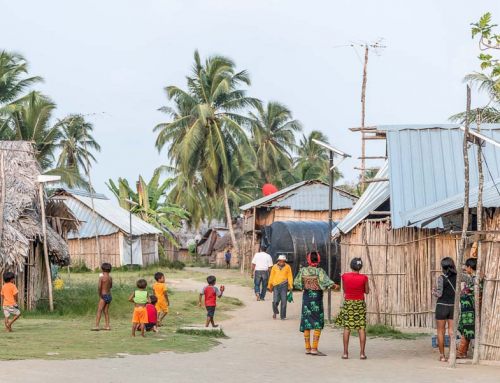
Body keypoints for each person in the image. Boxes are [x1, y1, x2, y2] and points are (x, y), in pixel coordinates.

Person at [294, 251, 335, 356]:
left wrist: (306, 285)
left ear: (308, 260)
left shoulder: (303, 271)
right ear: (318, 259)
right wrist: (335, 286)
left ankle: (307, 348)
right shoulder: (320, 271)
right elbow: (327, 283)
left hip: (307, 298)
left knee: (306, 322)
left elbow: (297, 284)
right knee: (317, 322)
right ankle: (314, 348)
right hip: (316, 299)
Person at [335, 257, 369, 360]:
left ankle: (345, 353)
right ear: (360, 267)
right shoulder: (364, 278)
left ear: (351, 265)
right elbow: (366, 291)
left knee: (347, 328)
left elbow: (345, 290)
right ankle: (362, 354)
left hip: (349, 303)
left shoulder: (344, 276)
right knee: (361, 328)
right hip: (359, 304)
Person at [432, 257, 457, 362]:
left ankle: (442, 356)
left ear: (443, 267)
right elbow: (472, 280)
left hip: (441, 306)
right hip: (453, 307)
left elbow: (439, 294)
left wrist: (433, 291)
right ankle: (452, 355)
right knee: (452, 332)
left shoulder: (441, 278)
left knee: (440, 332)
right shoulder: (458, 276)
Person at [457, 258, 482, 359]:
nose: (465, 268)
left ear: (470, 267)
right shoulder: (472, 277)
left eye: (466, 267)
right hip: (467, 308)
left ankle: (461, 351)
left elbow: (476, 290)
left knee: (467, 328)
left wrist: (464, 291)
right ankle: (462, 351)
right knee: (465, 328)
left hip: (470, 308)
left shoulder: (477, 278)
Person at [268, 254, 293, 320]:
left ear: (285, 261)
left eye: (283, 261)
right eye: (281, 261)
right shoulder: (274, 267)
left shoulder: (288, 267)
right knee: (275, 300)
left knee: (284, 301)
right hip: (276, 285)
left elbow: (290, 276)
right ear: (278, 261)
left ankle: (283, 316)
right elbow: (271, 276)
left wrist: (290, 285)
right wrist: (270, 286)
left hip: (284, 285)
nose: (282, 262)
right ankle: (275, 312)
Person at [92, 262, 113, 331]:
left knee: (99, 310)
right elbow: (111, 286)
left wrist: (99, 294)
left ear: (102, 269)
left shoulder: (101, 278)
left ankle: (97, 326)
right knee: (106, 311)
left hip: (103, 295)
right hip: (109, 295)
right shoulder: (110, 278)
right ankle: (107, 326)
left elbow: (99, 287)